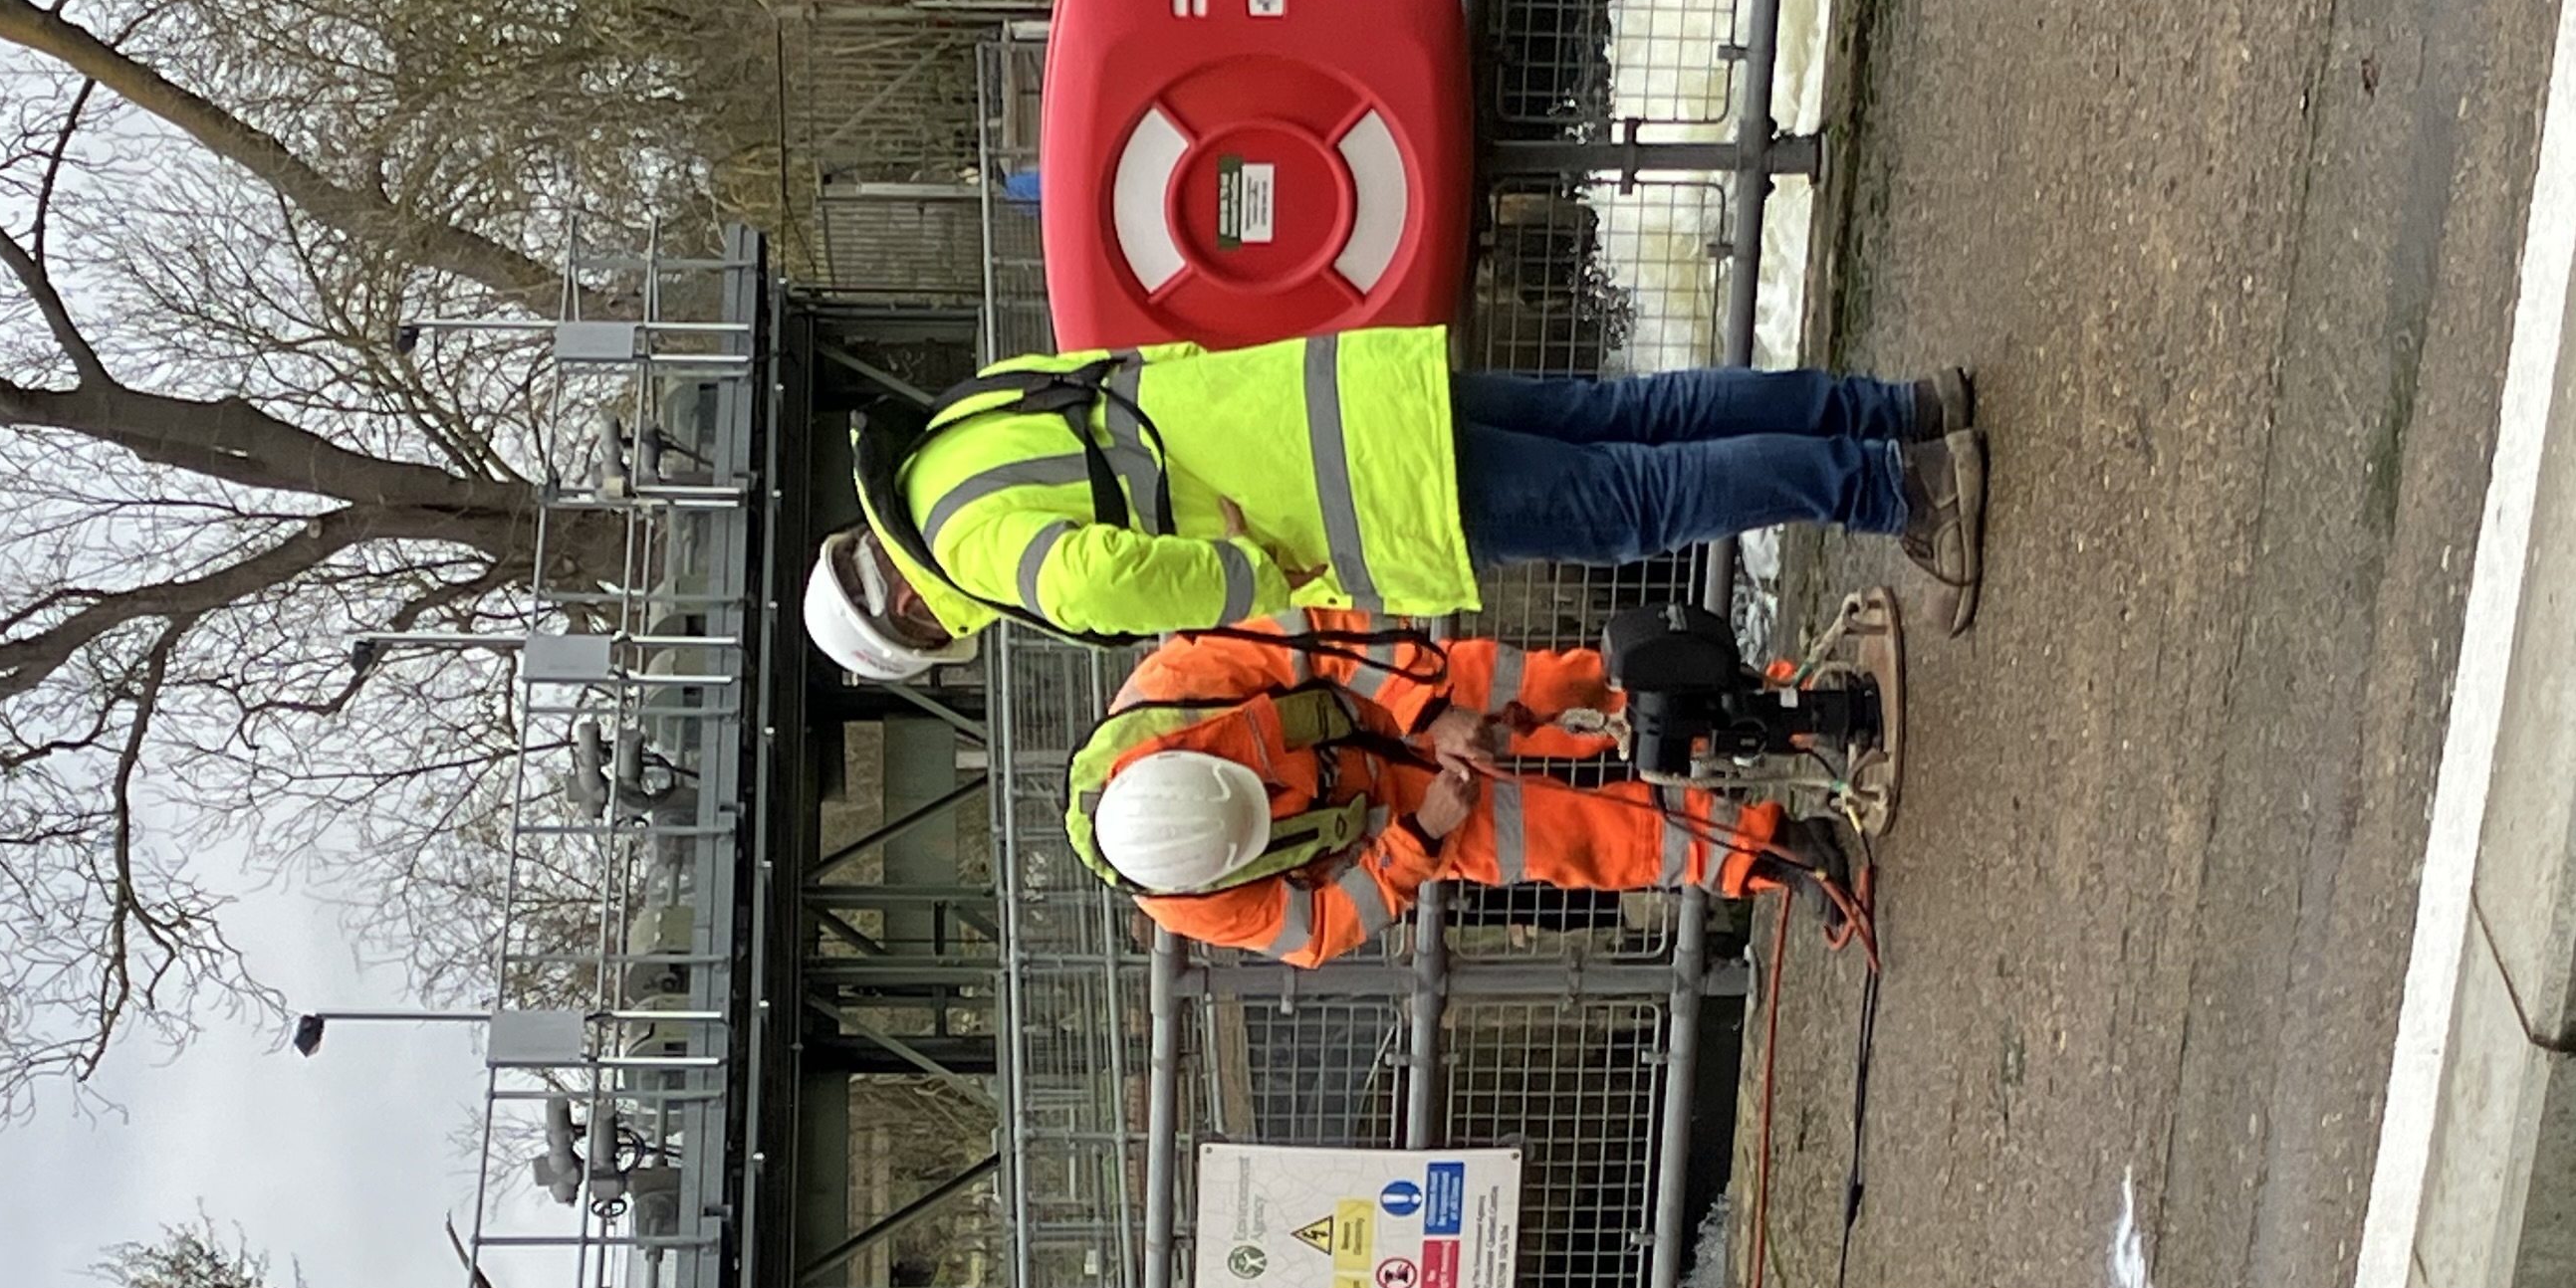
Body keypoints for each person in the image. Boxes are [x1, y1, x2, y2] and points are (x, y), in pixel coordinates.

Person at [798, 336, 1987, 682]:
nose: (954, 640)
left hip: (1354, 500)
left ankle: (1902, 488)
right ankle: (1901, 409)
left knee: (1636, 503)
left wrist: (1257, 586)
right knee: (1636, 414)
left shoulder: (970, 553)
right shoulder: (954, 429)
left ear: (909, 611)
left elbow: (1098, 582)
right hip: (1344, 395)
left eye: (934, 642)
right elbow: (1129, 359)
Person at [1067, 609, 1842, 965]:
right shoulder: (1191, 898)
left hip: (1389, 697)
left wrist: (1431, 713)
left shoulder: (1174, 690)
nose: (1271, 796)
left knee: (1567, 694)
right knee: (1585, 841)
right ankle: (1779, 853)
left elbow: (1325, 637)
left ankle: (1790, 709)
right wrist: (1421, 840)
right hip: (1395, 827)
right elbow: (1320, 928)